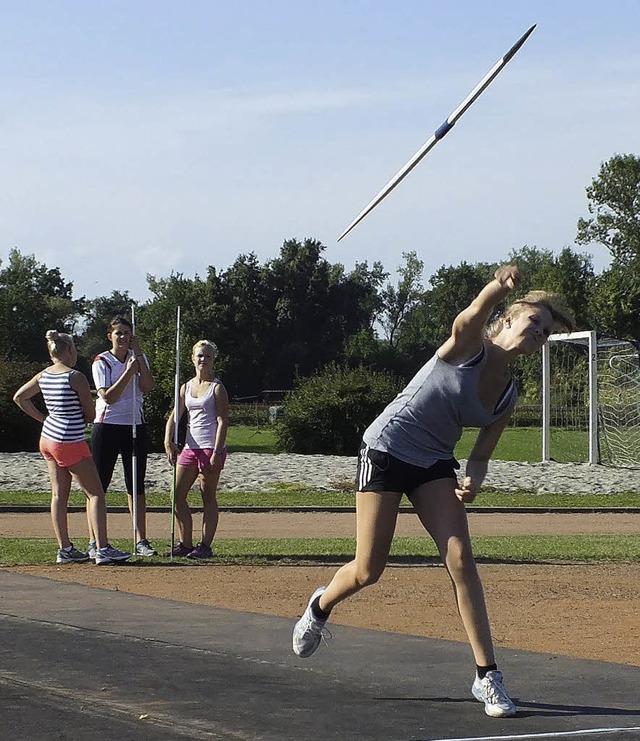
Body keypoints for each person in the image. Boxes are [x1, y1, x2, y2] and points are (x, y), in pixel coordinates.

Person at [292, 264, 574, 718]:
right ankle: (320, 605)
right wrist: (497, 287)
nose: (537, 334)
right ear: (508, 320)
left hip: (434, 462)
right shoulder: (469, 345)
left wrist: (474, 478)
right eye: (532, 323)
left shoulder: (508, 395)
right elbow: (472, 313)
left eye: (544, 333)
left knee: (461, 558)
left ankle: (488, 676)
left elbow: (481, 453)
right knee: (369, 569)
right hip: (387, 448)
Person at [13, 330, 131, 566]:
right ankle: (103, 548)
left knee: (59, 494)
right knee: (95, 493)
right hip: (69, 439)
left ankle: (65, 548)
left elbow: (20, 397)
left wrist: (43, 418)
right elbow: (89, 413)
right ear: (68, 350)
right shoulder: (75, 377)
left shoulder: (44, 375)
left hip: (48, 438)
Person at [89, 315, 157, 557]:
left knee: (136, 484)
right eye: (119, 333)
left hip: (134, 425)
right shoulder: (102, 362)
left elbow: (148, 387)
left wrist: (138, 357)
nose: (123, 337)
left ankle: (141, 539)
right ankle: (94, 539)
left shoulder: (137, 359)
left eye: (127, 333)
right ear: (110, 336)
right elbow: (108, 396)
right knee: (99, 485)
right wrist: (128, 372)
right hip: (107, 425)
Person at [164, 340, 229, 558]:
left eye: (207, 356)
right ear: (193, 358)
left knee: (207, 496)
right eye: (200, 355)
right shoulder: (186, 387)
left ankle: (205, 545)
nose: (203, 360)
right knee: (176, 495)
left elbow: (222, 421)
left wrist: (217, 451)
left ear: (213, 360)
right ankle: (185, 543)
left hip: (210, 447)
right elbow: (176, 415)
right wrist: (168, 440)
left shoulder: (217, 388)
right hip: (190, 448)